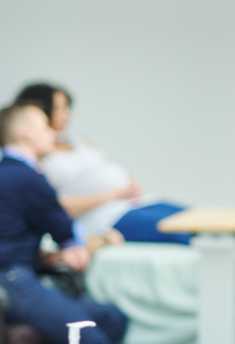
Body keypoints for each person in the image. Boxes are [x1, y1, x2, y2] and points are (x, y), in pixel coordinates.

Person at [0, 102, 129, 344]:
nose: (53, 134)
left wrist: (48, 259)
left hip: (8, 279)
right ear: (25, 132)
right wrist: (101, 240)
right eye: (45, 128)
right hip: (2, 285)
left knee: (111, 318)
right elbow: (70, 235)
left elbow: (7, 239)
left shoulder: (4, 174)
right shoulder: (24, 176)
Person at [14, 83, 192, 245]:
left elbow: (103, 166)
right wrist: (111, 195)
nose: (66, 114)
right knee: (180, 232)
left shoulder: (78, 140)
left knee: (196, 218)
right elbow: (54, 206)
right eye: (59, 108)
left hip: (132, 202)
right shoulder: (37, 157)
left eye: (67, 107)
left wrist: (128, 184)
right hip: (102, 217)